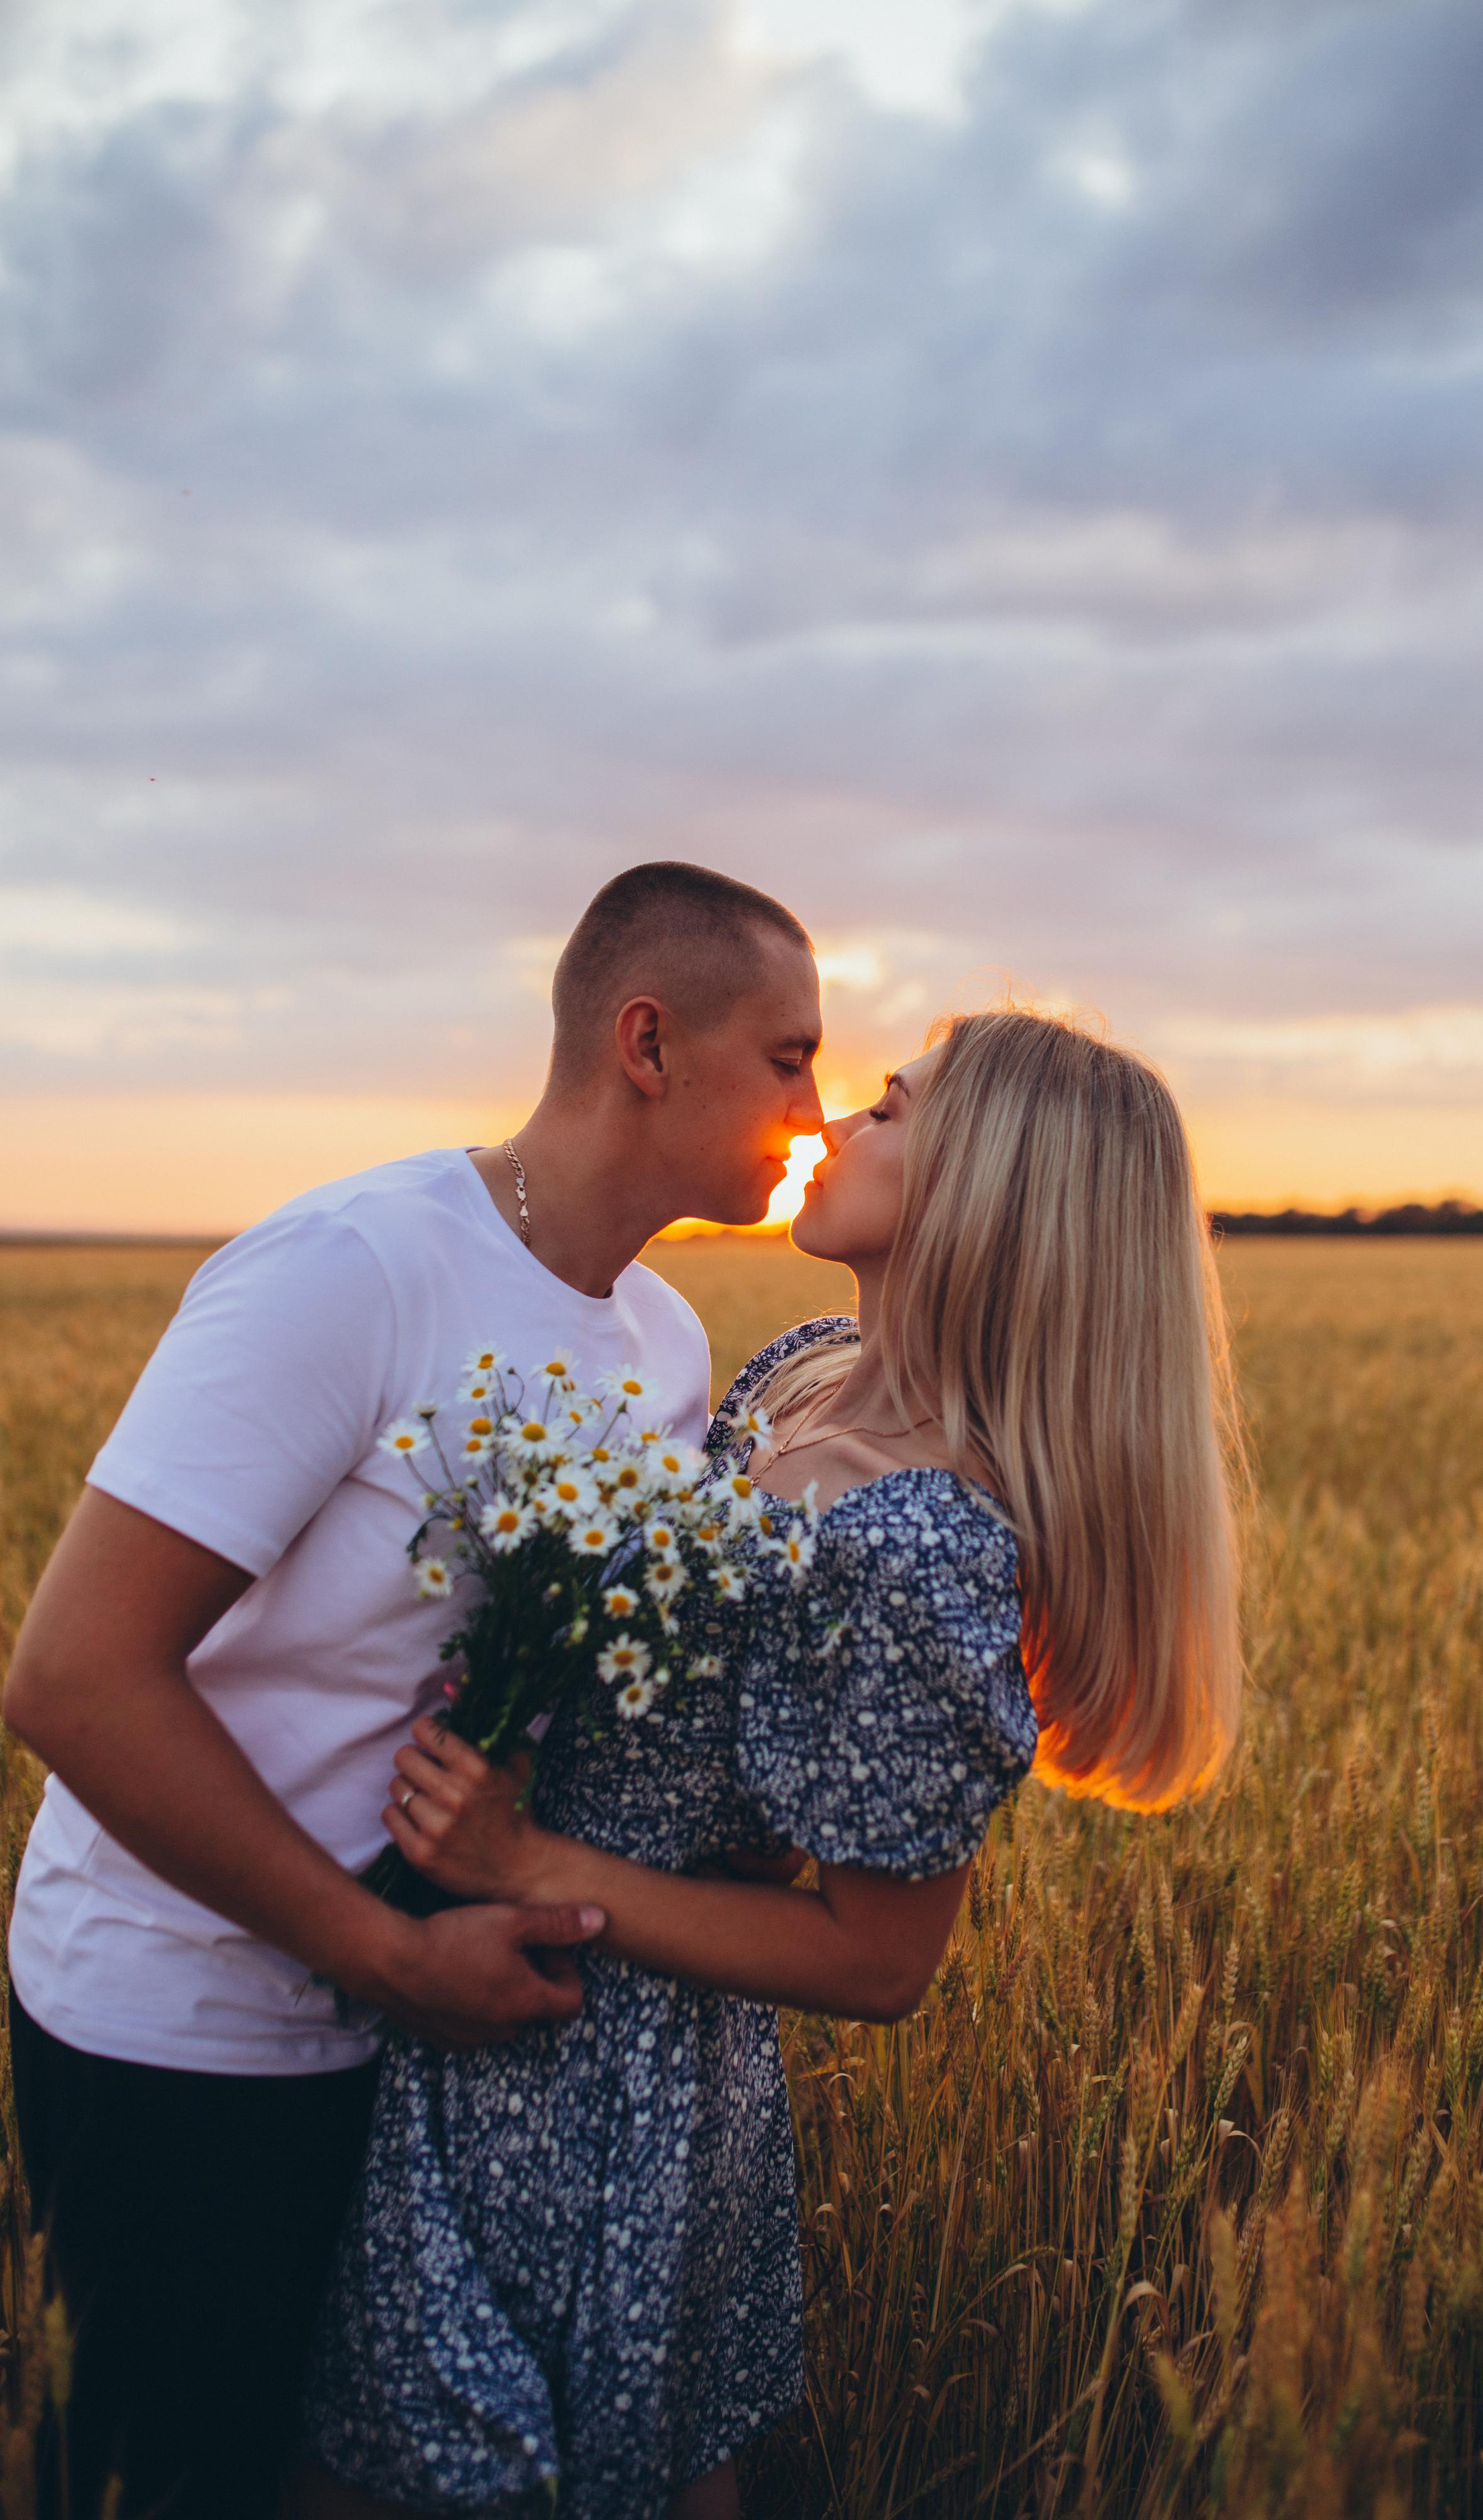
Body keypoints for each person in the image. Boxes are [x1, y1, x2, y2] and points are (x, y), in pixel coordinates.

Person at [296, 1006, 1244, 2520]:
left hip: (603, 2082)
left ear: (991, 1188)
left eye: (887, 1106)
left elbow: (877, 1960)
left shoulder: (919, 1542)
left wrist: (530, 1861)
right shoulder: (805, 1376)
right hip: (484, 2018)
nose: (833, 1124)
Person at [2, 861, 826, 2520]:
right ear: (647, 1043)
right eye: (790, 1057)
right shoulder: (353, 1270)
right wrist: (384, 1952)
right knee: (177, 2482)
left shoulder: (663, 1344)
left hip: (426, 2063)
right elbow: (76, 1678)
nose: (812, 1104)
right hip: (188, 2038)